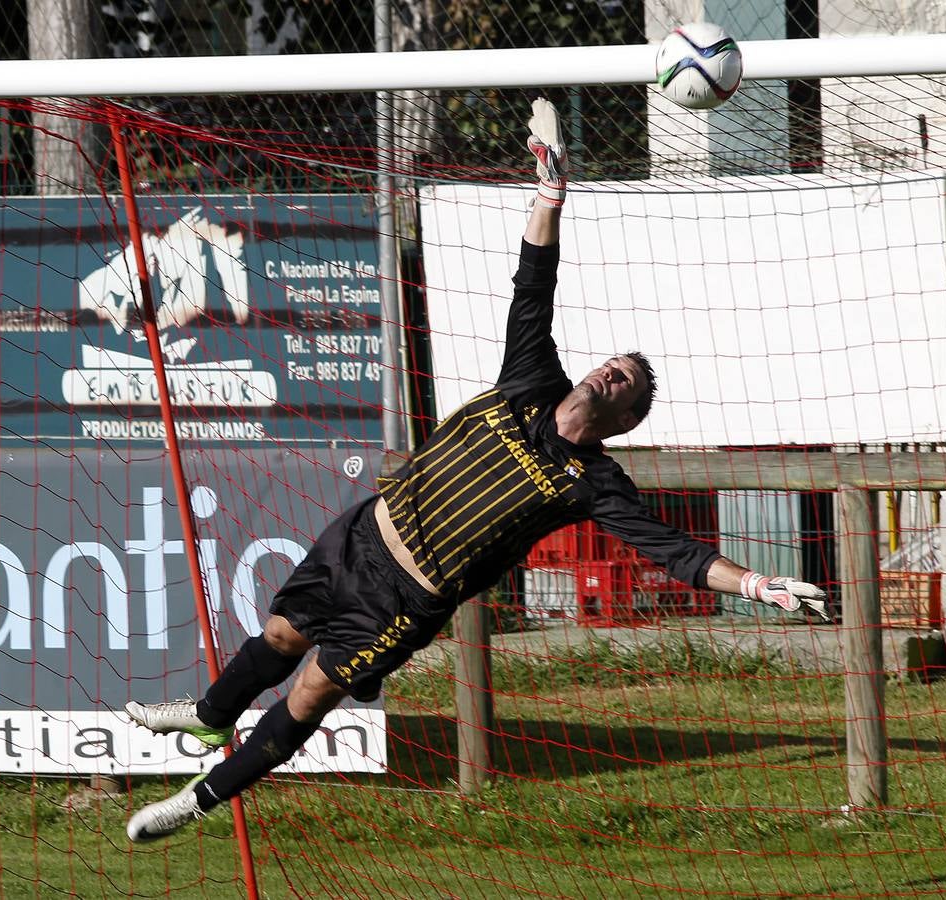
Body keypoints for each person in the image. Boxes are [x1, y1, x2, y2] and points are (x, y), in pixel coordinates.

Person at [125, 98, 829, 843]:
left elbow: (674, 553)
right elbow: (535, 281)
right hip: (364, 533)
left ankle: (199, 800)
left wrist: (759, 584)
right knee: (279, 635)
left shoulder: (594, 481)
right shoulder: (531, 379)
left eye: (625, 383)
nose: (608, 375)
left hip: (405, 596)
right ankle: (208, 719)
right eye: (612, 364)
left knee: (309, 694)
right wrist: (550, 194)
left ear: (626, 421)